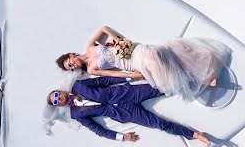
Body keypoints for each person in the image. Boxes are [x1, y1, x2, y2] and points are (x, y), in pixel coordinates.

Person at [56, 26, 231, 100]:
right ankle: (201, 77)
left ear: (71, 55)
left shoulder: (90, 46)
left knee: (157, 56)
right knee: (163, 78)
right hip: (131, 65)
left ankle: (203, 76)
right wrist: (131, 75)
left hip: (135, 51)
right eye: (70, 68)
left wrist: (117, 40)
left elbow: (103, 28)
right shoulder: (92, 69)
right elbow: (113, 73)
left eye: (69, 63)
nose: (72, 66)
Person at [48, 75, 212, 146]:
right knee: (159, 125)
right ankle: (194, 135)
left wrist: (128, 77)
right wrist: (121, 137)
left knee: (163, 88)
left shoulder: (79, 85)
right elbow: (98, 130)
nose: (58, 98)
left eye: (56, 95)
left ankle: (202, 81)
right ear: (58, 105)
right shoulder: (76, 115)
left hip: (127, 93)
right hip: (125, 113)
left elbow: (105, 80)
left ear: (60, 91)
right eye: (55, 101)